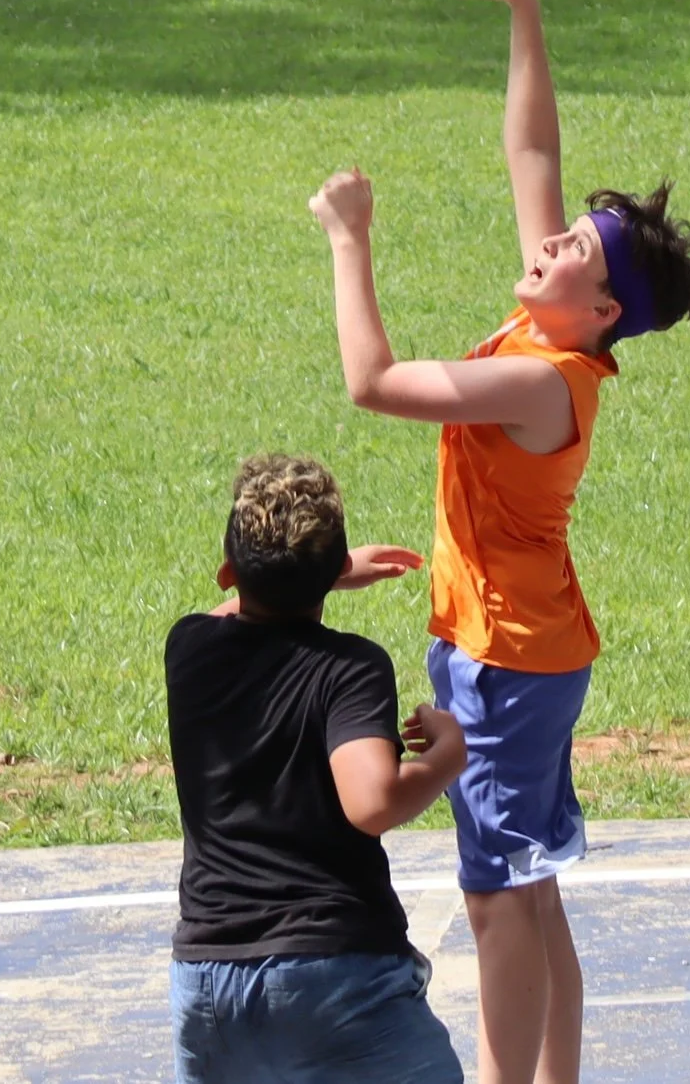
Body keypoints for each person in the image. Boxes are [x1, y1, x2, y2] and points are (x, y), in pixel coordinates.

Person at [308, 0, 690, 1084]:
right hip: (523, 644)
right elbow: (533, 151)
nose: (548, 244)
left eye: (573, 249)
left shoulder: (544, 380)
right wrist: (525, 11)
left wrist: (349, 238)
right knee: (527, 881)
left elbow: (373, 384)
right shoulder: (555, 329)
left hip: (505, 659)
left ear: (604, 307)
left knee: (494, 902)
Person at [167, 451, 469, 1084]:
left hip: (206, 984)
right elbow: (372, 801)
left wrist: (313, 575)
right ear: (332, 571)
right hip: (332, 975)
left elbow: (233, 611)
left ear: (227, 572)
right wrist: (447, 756)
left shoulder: (188, 648)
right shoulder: (350, 668)